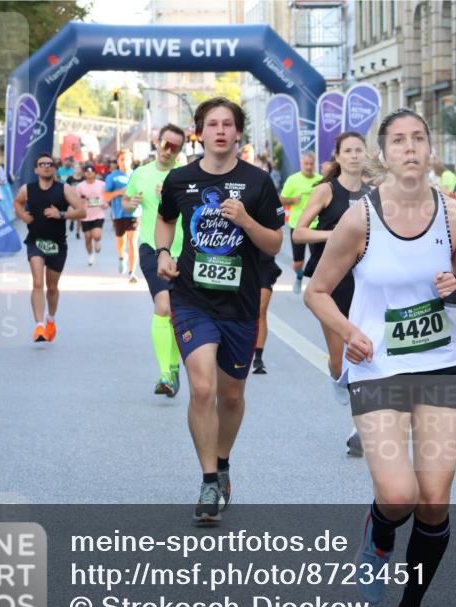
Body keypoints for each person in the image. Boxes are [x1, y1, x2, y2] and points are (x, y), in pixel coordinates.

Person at [304, 109, 456, 607]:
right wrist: (348, 331)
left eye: (419, 138)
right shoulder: (360, 219)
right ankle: (378, 538)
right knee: (400, 495)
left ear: (431, 150)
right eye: (399, 141)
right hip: (378, 367)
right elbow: (316, 291)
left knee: (433, 501)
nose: (410, 148)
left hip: (439, 366)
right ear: (385, 154)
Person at [155, 98, 284, 524]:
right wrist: (161, 251)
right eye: (213, 124)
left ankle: (223, 461)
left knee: (231, 395)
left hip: (240, 304)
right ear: (201, 132)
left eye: (228, 124)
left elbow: (274, 244)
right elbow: (165, 220)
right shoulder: (180, 179)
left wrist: (246, 220)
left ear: (238, 132)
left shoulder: (258, 182)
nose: (221, 131)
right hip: (192, 299)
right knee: (203, 389)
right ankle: (208, 479)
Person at [292, 131, 370, 454]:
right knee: (341, 361)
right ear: (337, 157)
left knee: (365, 351)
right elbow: (298, 233)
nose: (353, 156)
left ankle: (360, 427)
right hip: (331, 282)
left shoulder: (375, 193)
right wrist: (334, 237)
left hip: (365, 279)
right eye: (347, 151)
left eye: (358, 150)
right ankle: (336, 372)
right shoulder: (326, 190)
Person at [123, 124, 188, 397]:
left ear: (180, 151)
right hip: (152, 246)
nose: (167, 151)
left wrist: (174, 197)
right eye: (165, 144)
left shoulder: (185, 177)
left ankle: (173, 368)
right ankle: (165, 373)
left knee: (176, 311)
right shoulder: (141, 173)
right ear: (157, 143)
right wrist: (132, 201)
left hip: (183, 250)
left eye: (174, 147)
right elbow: (126, 203)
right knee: (163, 305)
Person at [13, 152, 86, 343]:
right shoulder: (27, 189)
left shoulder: (64, 189)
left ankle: (51, 319)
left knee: (52, 287)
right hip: (35, 241)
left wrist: (60, 214)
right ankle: (39, 326)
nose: (46, 166)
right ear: (36, 169)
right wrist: (23, 216)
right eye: (41, 164)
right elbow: (17, 203)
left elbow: (82, 211)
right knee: (38, 282)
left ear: (54, 169)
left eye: (49, 164)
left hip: (57, 244)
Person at [279, 152, 322, 294]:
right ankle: (299, 276)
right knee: (298, 262)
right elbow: (281, 199)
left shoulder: (321, 180)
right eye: (306, 164)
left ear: (314, 164)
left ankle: (316, 287)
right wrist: (292, 200)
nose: (309, 166)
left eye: (311, 164)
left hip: (316, 225)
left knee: (318, 260)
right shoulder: (293, 180)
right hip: (297, 226)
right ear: (301, 164)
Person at [105, 149, 141, 281]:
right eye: (122, 159)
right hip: (118, 214)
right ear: (118, 161)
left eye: (127, 159)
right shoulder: (112, 177)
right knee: (121, 241)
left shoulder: (137, 175)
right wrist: (119, 192)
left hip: (134, 212)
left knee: (132, 242)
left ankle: (132, 272)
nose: (124, 162)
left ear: (131, 160)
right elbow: (105, 196)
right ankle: (121, 257)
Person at [75, 164, 107, 266]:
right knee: (87, 237)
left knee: (96, 235)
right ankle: (90, 255)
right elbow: (76, 200)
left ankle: (97, 241)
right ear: (84, 173)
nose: (89, 173)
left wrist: (106, 203)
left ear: (95, 173)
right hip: (86, 215)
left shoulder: (102, 184)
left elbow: (107, 196)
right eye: (87, 172)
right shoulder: (80, 186)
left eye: (91, 171)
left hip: (98, 214)